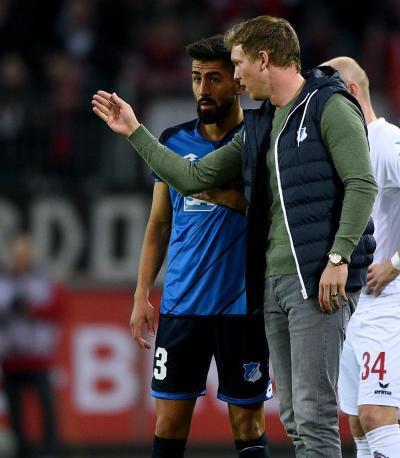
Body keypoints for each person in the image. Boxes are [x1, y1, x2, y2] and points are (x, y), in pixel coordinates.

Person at [92, 15, 377, 456]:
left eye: (237, 66)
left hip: (304, 282)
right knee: (296, 419)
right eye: (199, 78)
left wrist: (338, 259)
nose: (235, 77)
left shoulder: (327, 107)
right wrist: (135, 131)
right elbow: (189, 180)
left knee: (309, 414)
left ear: (262, 60)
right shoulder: (261, 128)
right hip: (265, 286)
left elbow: (361, 184)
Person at [131, 35, 271, 458]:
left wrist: (213, 190)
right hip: (181, 305)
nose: (203, 89)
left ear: (238, 83)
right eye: (196, 78)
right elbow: (158, 225)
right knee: (170, 421)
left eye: (214, 78)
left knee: (247, 422)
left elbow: (268, 216)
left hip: (241, 307)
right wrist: (141, 295)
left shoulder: (259, 140)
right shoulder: (173, 141)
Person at [322, 56, 400, 458]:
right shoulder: (345, 149)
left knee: (376, 413)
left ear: (351, 94)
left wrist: (396, 263)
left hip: (391, 302)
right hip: (356, 304)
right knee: (356, 421)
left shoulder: (387, 141)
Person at [0, 234, 62, 458]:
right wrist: (8, 309)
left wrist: (30, 310)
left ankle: (50, 451)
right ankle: (21, 451)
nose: (21, 259)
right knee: (14, 412)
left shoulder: (43, 280)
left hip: (37, 357)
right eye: (17, 255)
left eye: (25, 255)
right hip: (9, 358)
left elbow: (56, 309)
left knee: (47, 407)